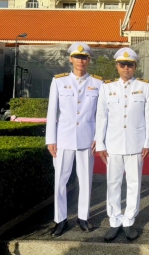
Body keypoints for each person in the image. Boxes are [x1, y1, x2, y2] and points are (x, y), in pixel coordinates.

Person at [46, 42, 103, 237]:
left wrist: (99, 137)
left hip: (88, 139)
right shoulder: (59, 81)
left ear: (89, 60)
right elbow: (52, 111)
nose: (81, 61)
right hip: (63, 139)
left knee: (85, 180)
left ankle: (83, 217)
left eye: (84, 57)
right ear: (71, 59)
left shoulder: (98, 83)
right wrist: (50, 139)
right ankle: (60, 219)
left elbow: (101, 114)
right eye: (77, 57)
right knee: (60, 180)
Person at [95, 47, 149, 242]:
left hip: (136, 143)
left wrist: (148, 142)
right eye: (122, 64)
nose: (126, 68)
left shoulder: (144, 87)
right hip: (113, 143)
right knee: (113, 183)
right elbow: (101, 117)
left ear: (135, 66)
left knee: (134, 183)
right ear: (117, 66)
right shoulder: (107, 87)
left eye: (130, 65)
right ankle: (114, 221)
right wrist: (100, 144)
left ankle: (129, 220)